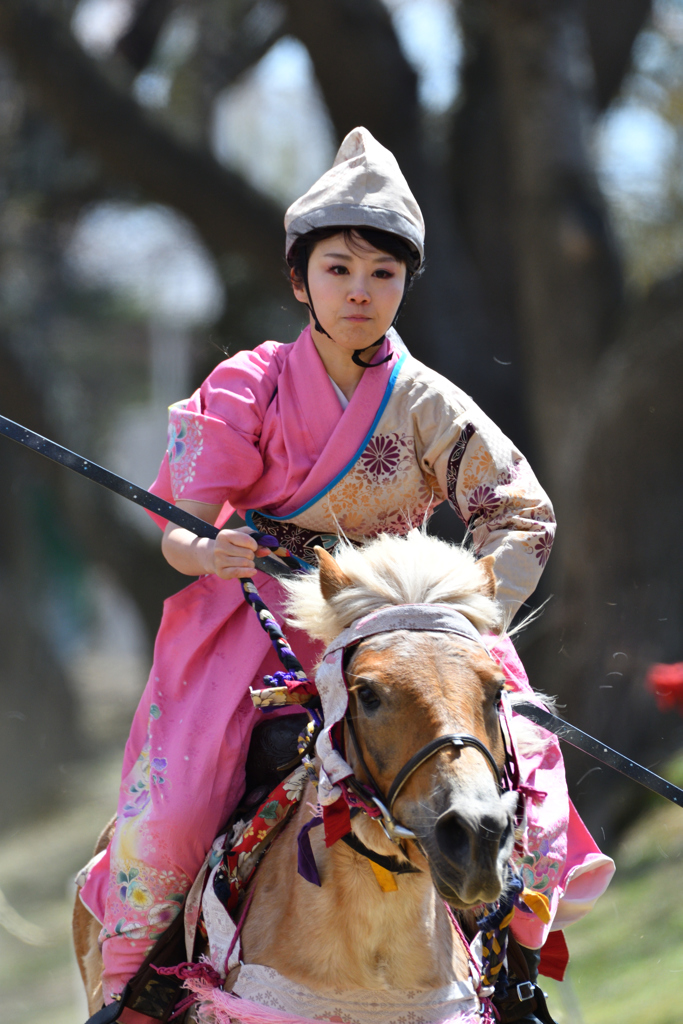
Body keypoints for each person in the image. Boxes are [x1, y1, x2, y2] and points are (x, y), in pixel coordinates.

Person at [77, 127, 614, 1018]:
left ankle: (510, 974)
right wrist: (209, 552)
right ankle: (137, 991)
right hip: (261, 628)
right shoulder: (245, 385)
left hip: (414, 630)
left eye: (382, 273)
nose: (360, 291)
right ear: (300, 280)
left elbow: (521, 513)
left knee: (525, 788)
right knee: (170, 821)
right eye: (338, 269)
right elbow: (179, 525)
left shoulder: (430, 402)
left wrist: (457, 610)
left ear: (405, 284)